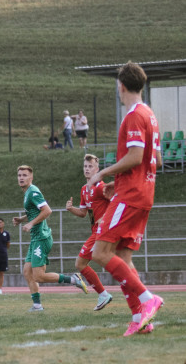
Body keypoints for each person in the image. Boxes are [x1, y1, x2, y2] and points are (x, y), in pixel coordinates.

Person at [87, 61, 164, 336]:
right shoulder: (150, 115)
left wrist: (104, 173)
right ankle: (140, 319)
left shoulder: (133, 115)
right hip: (142, 192)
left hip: (131, 194)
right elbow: (156, 158)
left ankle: (147, 299)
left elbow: (134, 156)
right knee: (122, 256)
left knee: (100, 252)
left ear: (121, 85)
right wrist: (116, 182)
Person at [12, 165, 88, 311]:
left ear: (31, 177)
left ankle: (73, 279)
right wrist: (22, 219)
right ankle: (37, 305)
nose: (21, 178)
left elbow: (47, 210)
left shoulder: (33, 191)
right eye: (19, 175)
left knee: (39, 276)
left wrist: (31, 224)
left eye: (24, 175)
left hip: (41, 237)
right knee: (27, 272)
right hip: (36, 238)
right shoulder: (28, 192)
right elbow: (35, 211)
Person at [65, 154, 114, 311]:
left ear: (97, 169)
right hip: (96, 232)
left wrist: (105, 218)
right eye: (85, 166)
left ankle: (104, 293)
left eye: (90, 166)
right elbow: (83, 213)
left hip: (102, 232)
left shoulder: (101, 187)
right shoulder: (84, 190)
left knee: (80, 263)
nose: (87, 169)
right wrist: (71, 209)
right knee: (87, 263)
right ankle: (110, 292)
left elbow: (116, 203)